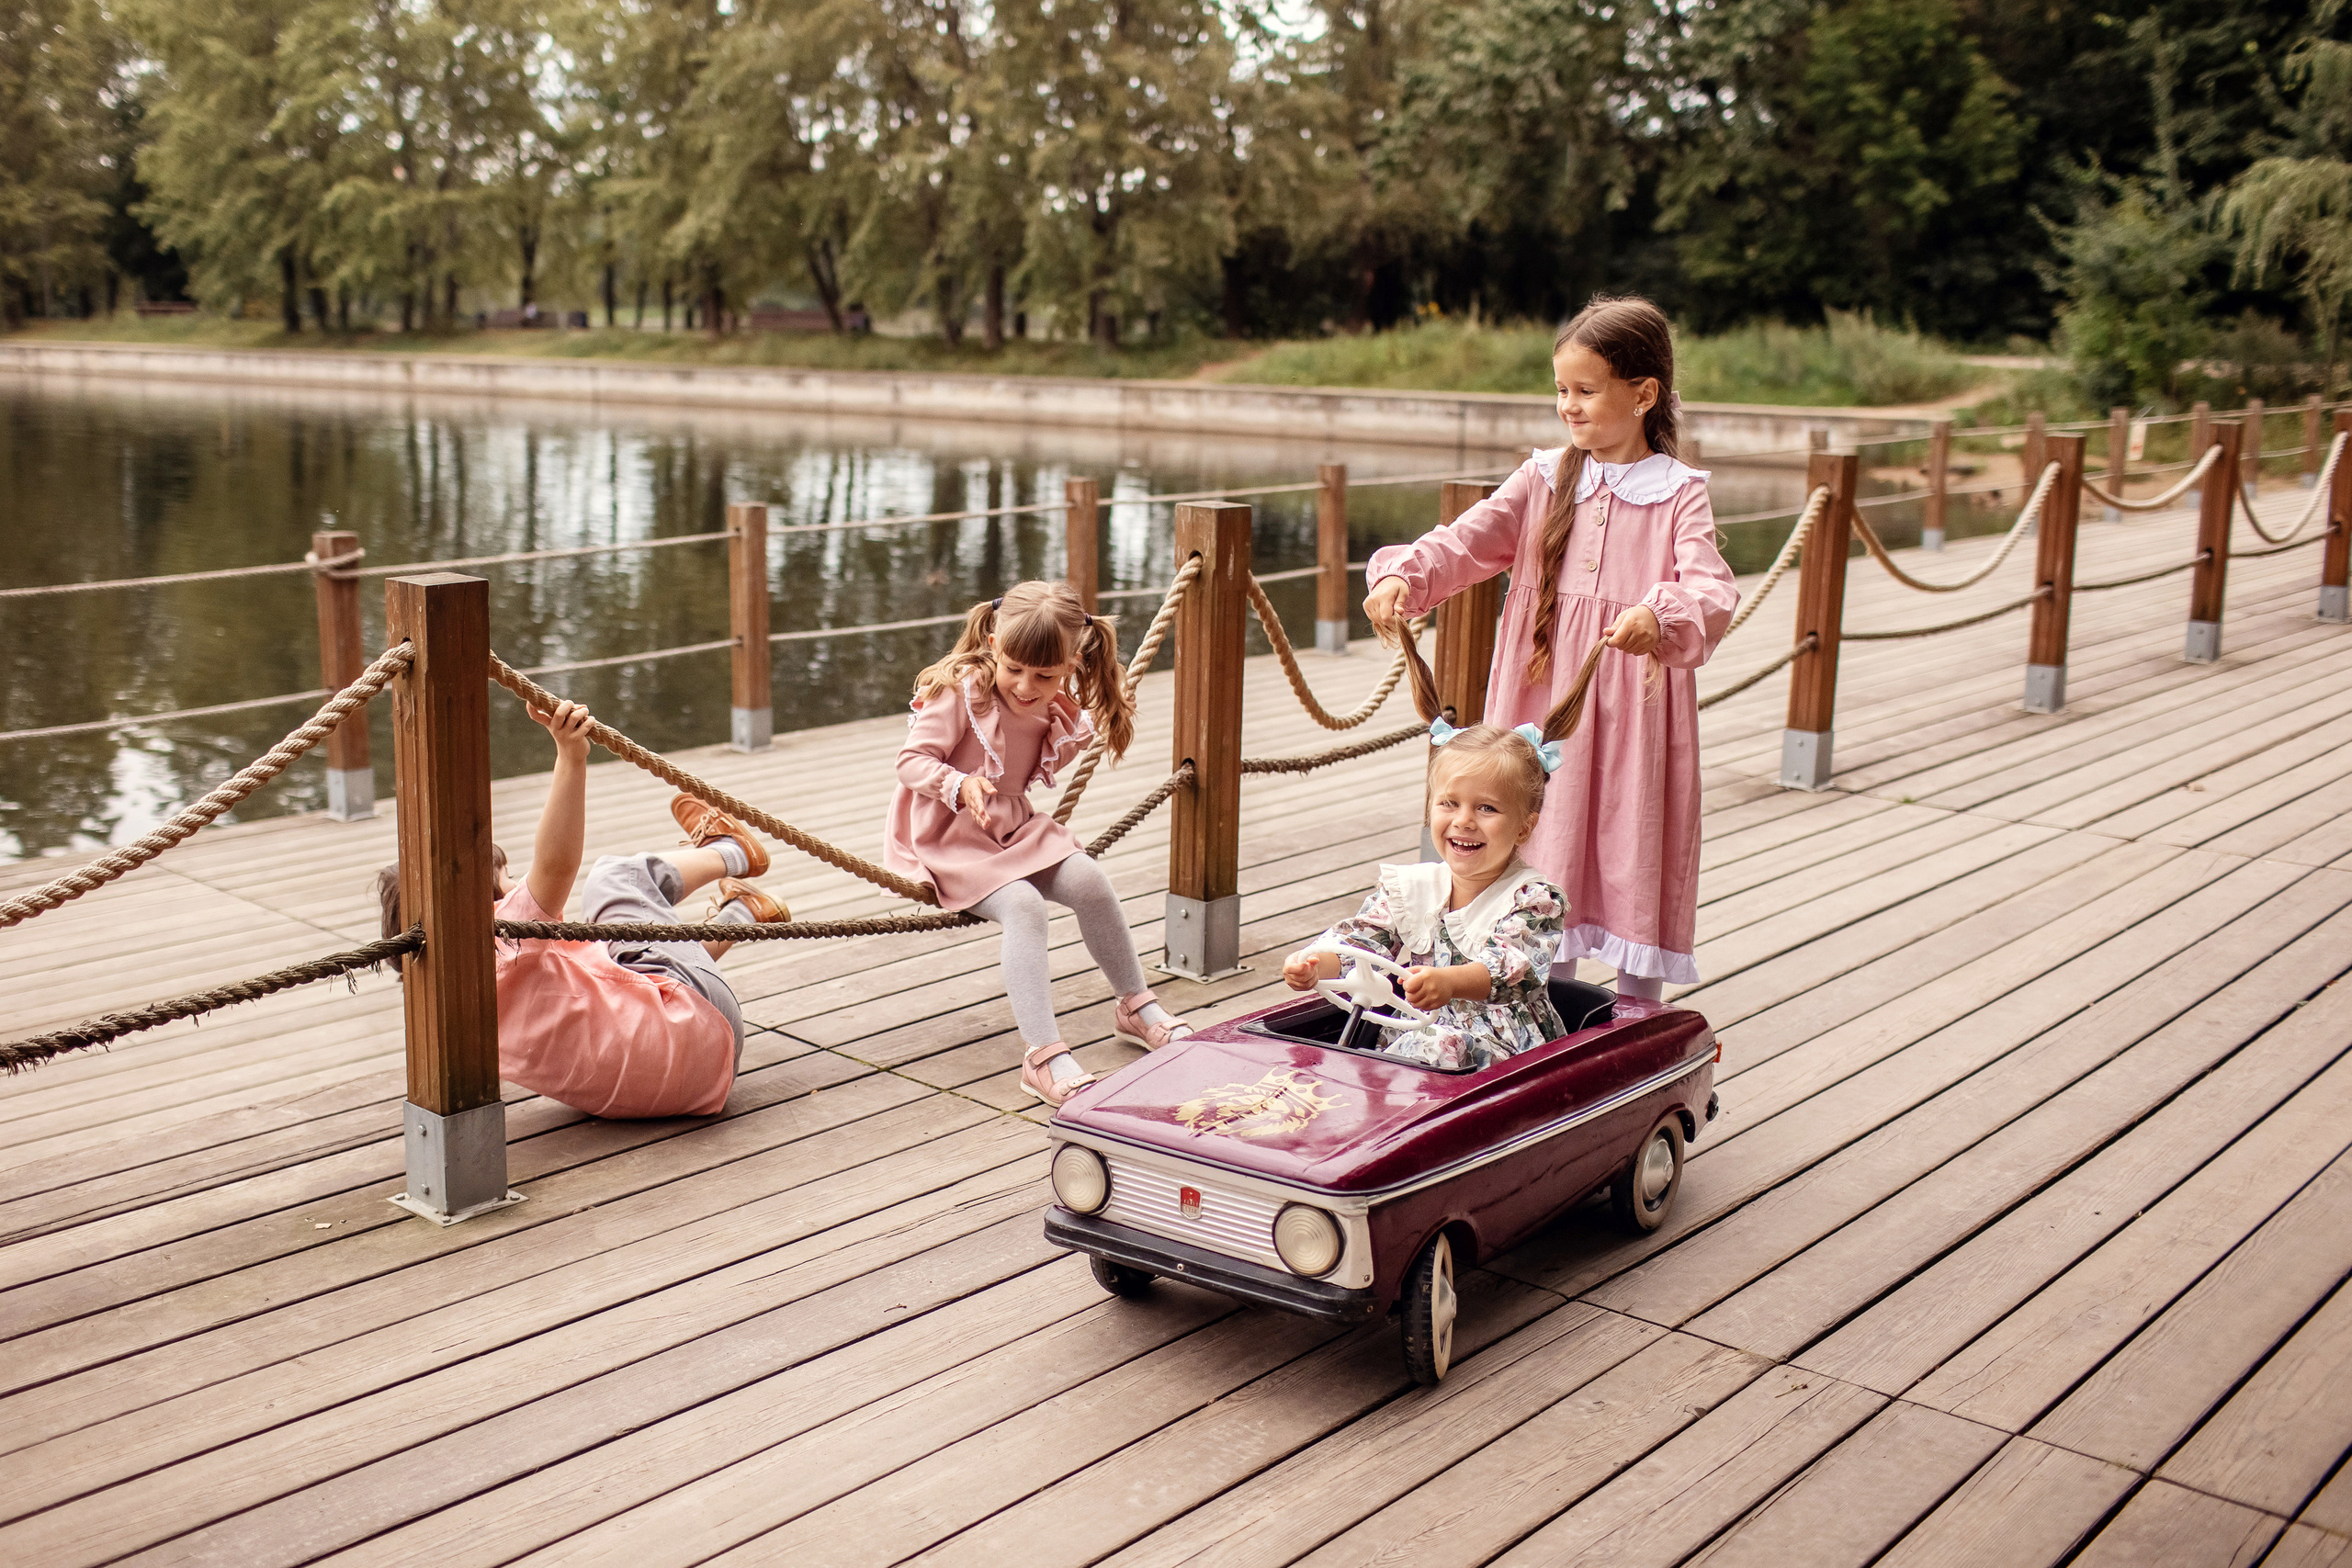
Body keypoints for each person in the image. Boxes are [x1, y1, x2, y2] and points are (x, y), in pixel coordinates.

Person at [1363, 295, 1736, 1004]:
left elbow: (1711, 589)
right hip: (1540, 700)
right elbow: (1466, 539)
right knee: (1539, 835)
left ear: (1643, 393)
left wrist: (1659, 617)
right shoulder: (1542, 478)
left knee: (1632, 835)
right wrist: (1401, 575)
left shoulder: (1680, 493)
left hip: (1631, 709)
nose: (1568, 405)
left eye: (1586, 391)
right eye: (1561, 390)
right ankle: (1531, 998)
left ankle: (1635, 1014)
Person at [372, 698, 787, 1119]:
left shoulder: (442, 1005)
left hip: (656, 1096)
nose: (517, 888)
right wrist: (571, 756)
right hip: (701, 1030)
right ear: (482, 906)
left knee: (602, 950)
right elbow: (556, 865)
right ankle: (731, 851)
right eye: (506, 879)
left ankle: (739, 917)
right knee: (614, 880)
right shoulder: (502, 937)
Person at [885, 580, 1194, 1107]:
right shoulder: (961, 692)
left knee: (1090, 880)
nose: (1026, 686)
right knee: (1025, 906)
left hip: (1012, 827)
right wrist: (961, 783)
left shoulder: (1057, 706)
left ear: (1072, 664)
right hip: (949, 835)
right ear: (994, 647)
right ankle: (1042, 1053)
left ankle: (1134, 1005)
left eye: (1044, 675)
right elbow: (910, 762)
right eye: (1014, 669)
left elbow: (1027, 760)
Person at [1282, 723, 1569, 1070]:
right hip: (1418, 1035)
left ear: (1524, 826)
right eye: (1449, 803)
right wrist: (1314, 965)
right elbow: (1360, 943)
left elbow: (1512, 970)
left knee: (1435, 1043)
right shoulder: (1412, 887)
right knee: (1392, 1044)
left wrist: (1449, 982)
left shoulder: (1533, 900)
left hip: (1507, 1054)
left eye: (1487, 809)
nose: (1464, 821)